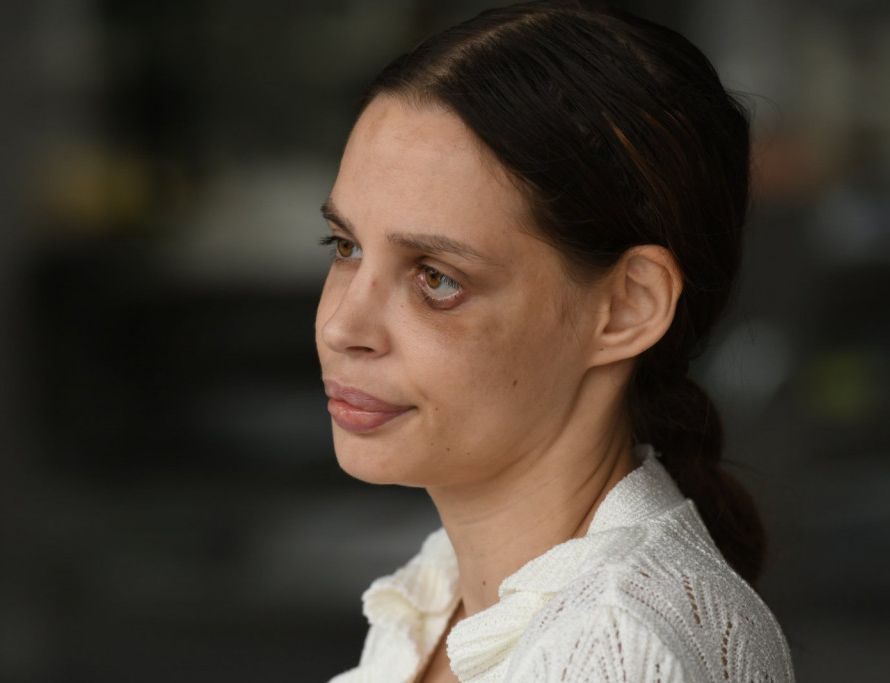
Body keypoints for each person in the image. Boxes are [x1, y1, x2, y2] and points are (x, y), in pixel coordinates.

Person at [315, 1, 794, 681]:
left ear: (628, 307)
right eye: (346, 246)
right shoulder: (449, 594)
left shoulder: (616, 653)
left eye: (437, 278)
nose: (342, 326)